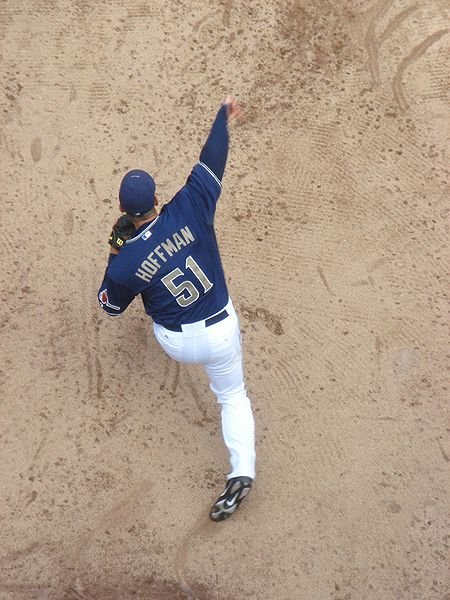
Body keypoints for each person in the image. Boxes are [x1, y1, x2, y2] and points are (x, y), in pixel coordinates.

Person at [97, 97, 255, 521]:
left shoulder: (127, 259)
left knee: (154, 305)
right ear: (156, 198)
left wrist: (117, 252)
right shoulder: (190, 204)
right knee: (232, 396)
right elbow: (211, 159)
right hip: (222, 332)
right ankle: (241, 473)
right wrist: (222, 118)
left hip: (178, 345)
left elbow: (109, 307)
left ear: (121, 211)